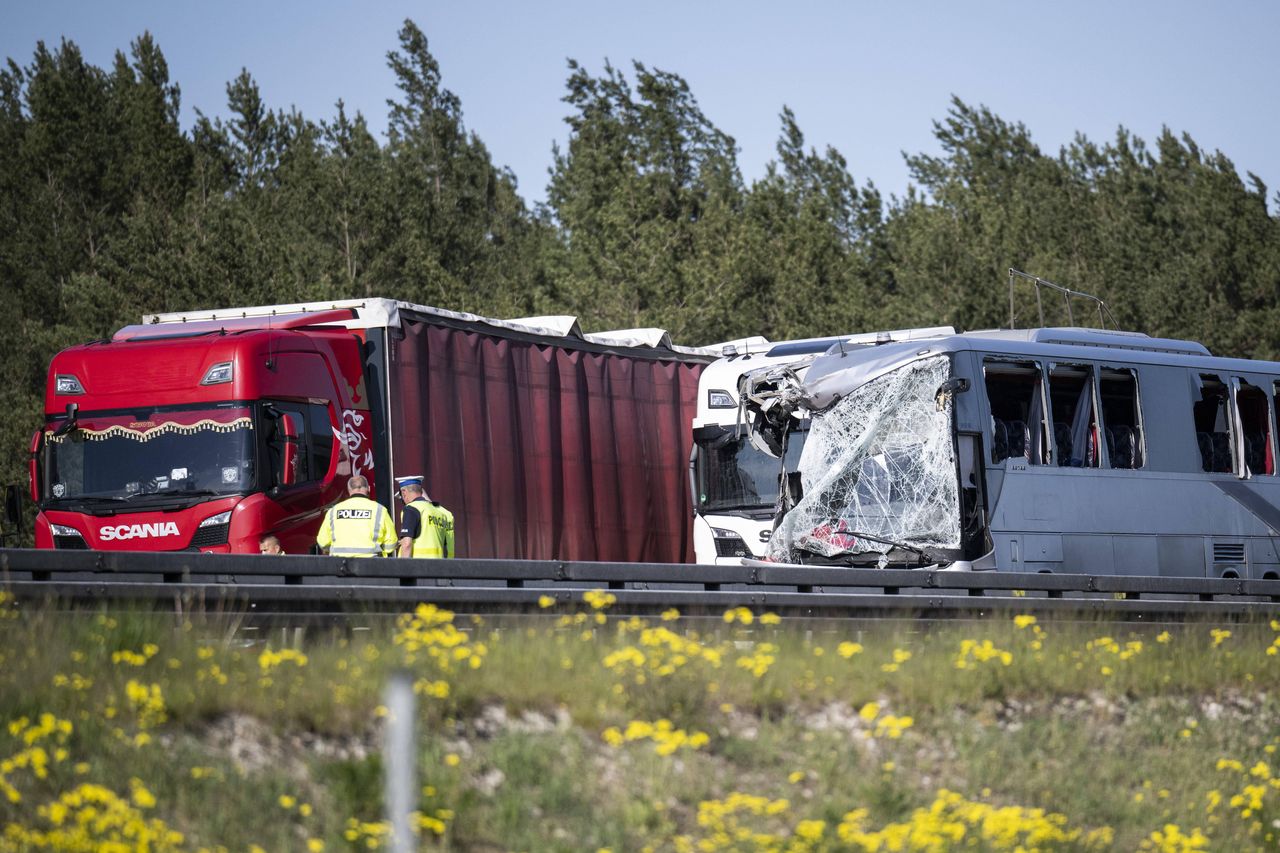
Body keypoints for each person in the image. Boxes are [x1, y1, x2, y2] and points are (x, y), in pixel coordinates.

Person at [316, 475, 397, 557]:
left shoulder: (333, 511)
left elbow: (323, 542)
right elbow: (391, 544)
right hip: (372, 564)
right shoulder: (380, 510)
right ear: (368, 488)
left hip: (340, 564)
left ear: (349, 490)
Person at [395, 475, 455, 558]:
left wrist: (404, 567)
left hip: (418, 565)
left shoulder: (411, 509)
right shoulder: (438, 512)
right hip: (438, 565)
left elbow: (407, 544)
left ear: (404, 492)